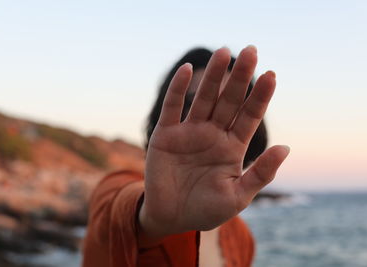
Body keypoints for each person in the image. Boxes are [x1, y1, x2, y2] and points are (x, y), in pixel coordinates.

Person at [82, 45, 290, 267]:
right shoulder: (115, 188)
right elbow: (120, 213)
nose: (214, 118)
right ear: (165, 111)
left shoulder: (241, 238)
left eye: (233, 104)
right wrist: (152, 219)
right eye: (194, 102)